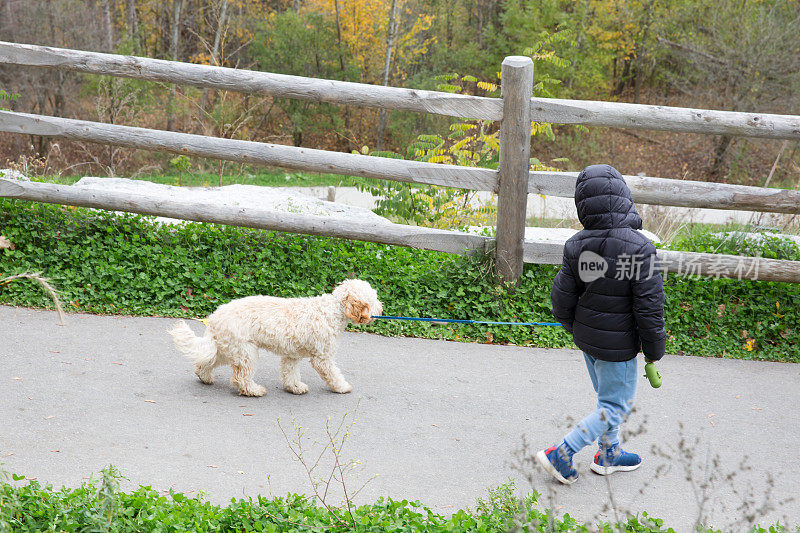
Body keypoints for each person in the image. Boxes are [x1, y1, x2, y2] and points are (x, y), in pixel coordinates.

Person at [537, 164, 667, 485]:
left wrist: (576, 328)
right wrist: (653, 350)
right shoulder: (639, 248)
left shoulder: (577, 245)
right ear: (624, 197)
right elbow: (649, 307)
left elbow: (561, 297)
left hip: (590, 343)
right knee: (615, 405)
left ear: (583, 204)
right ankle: (562, 452)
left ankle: (609, 453)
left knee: (606, 399)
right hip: (619, 348)